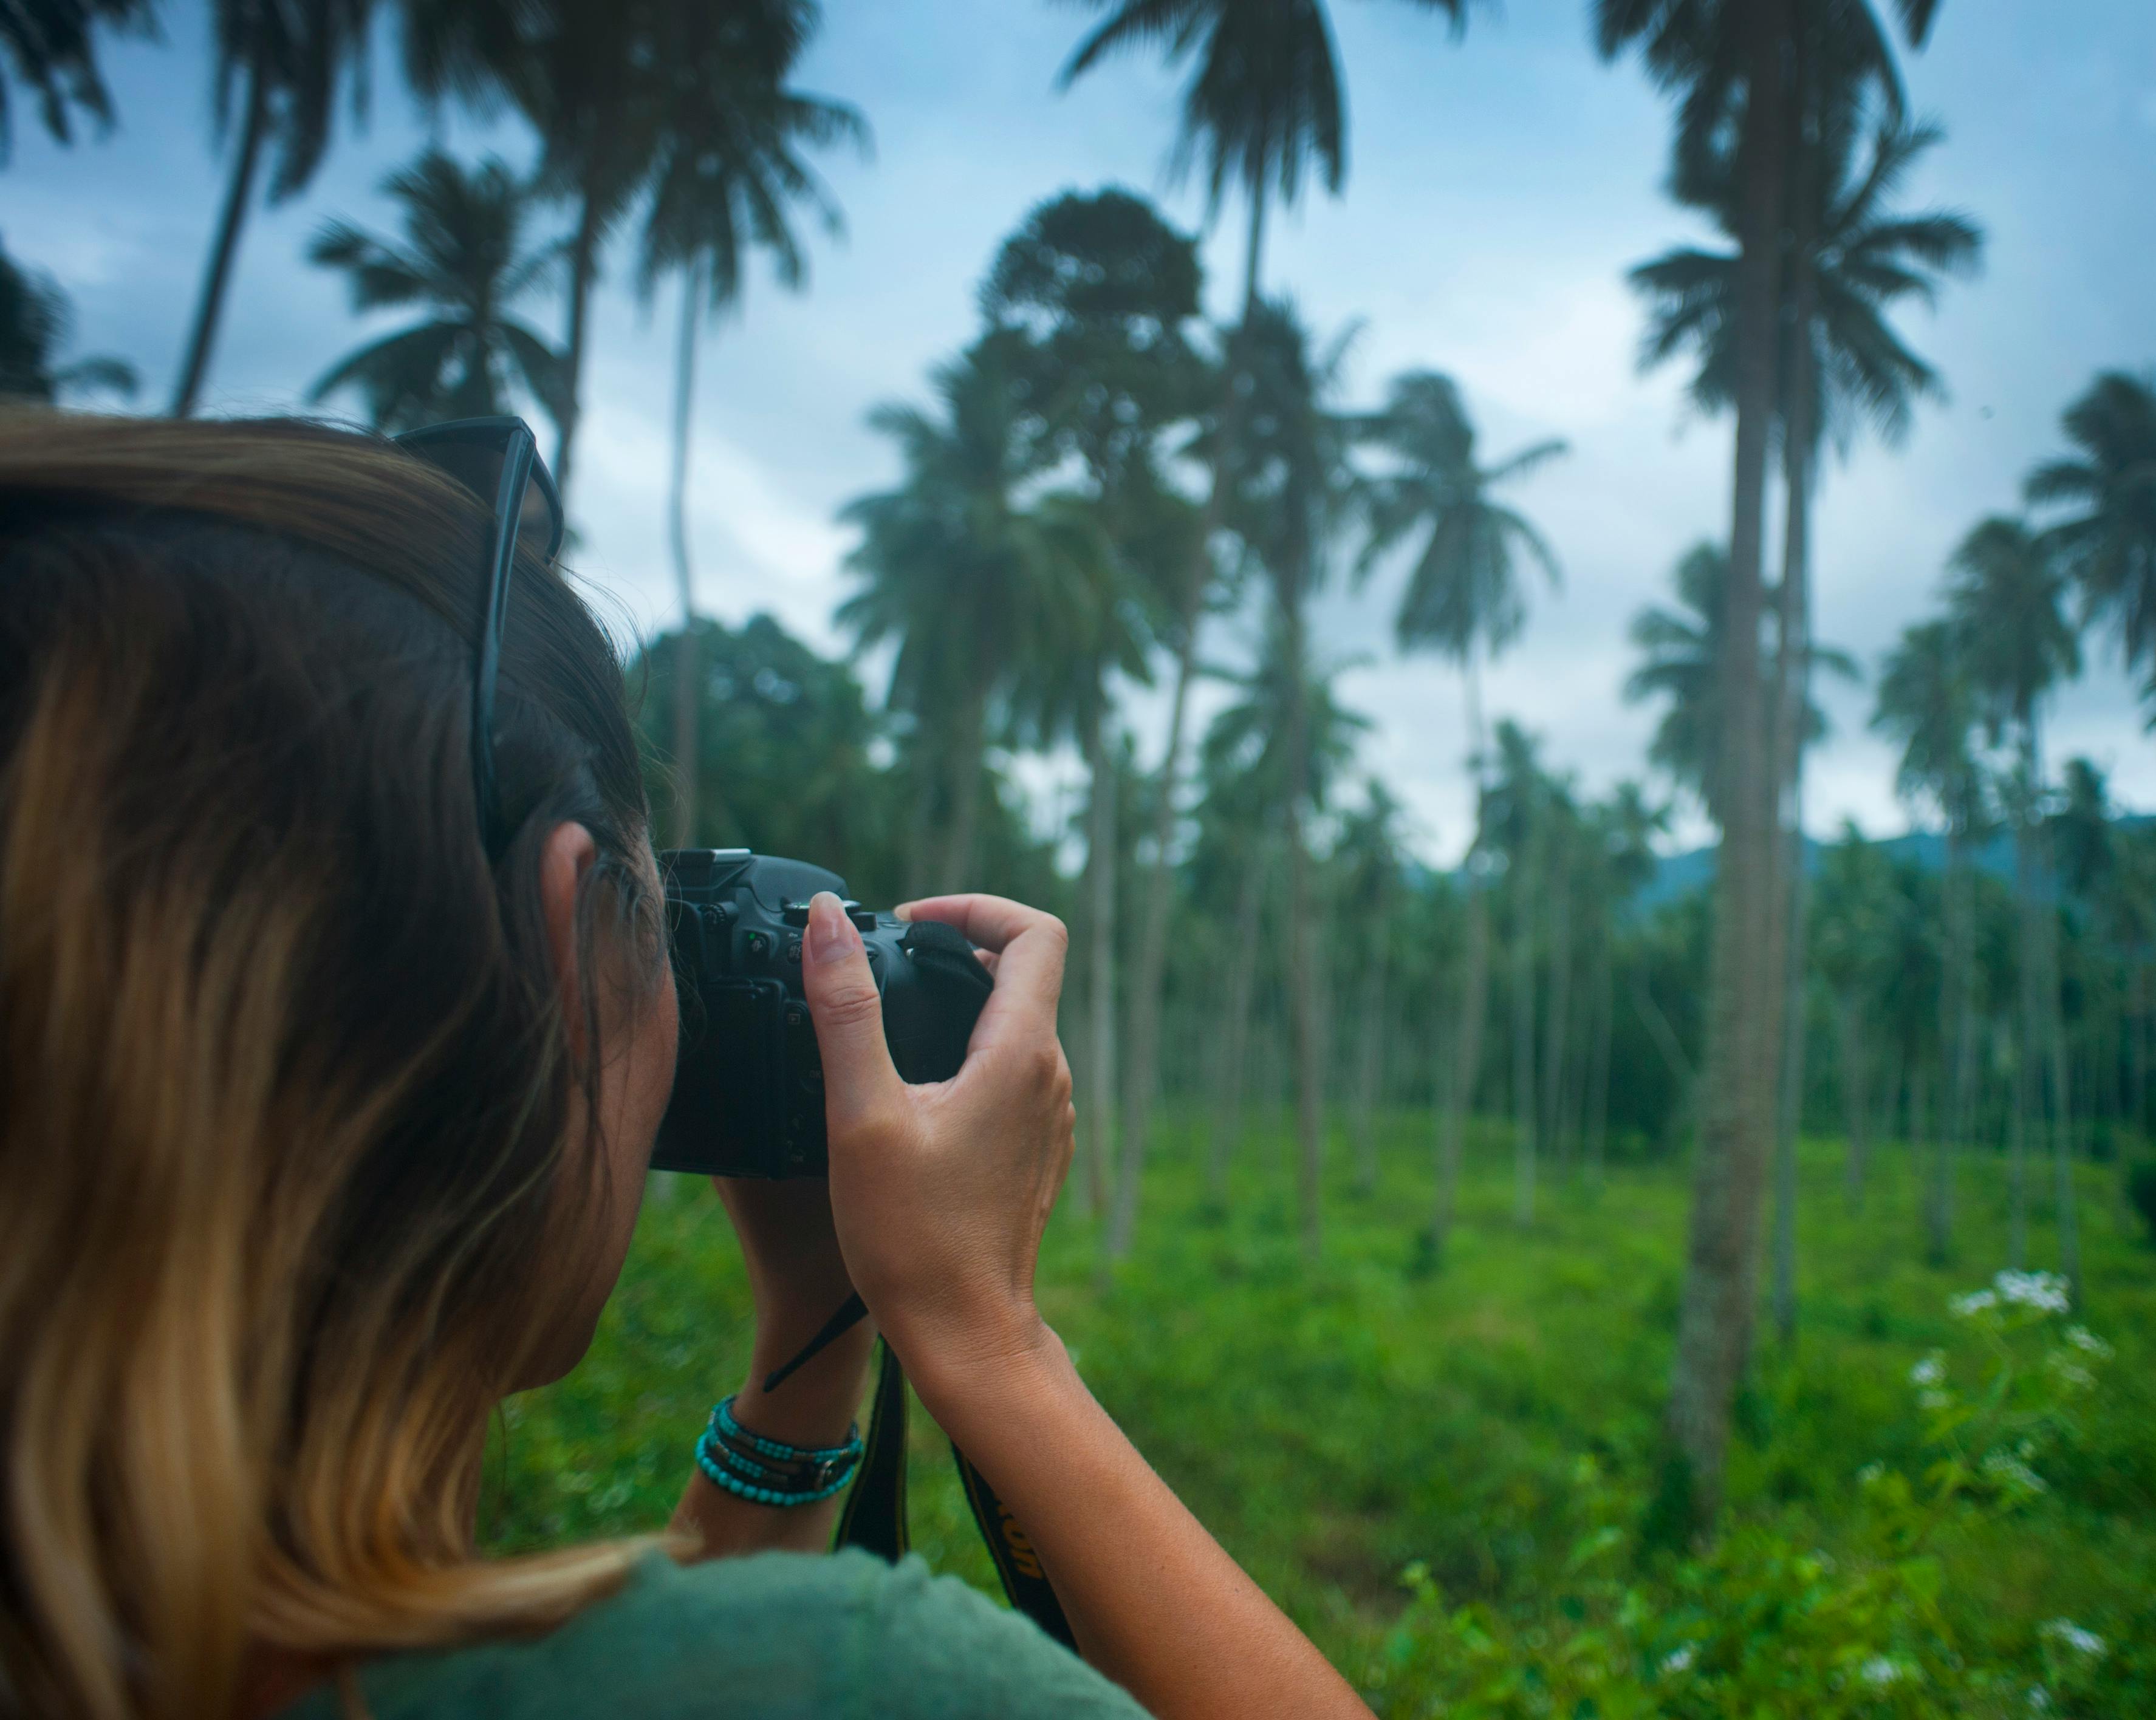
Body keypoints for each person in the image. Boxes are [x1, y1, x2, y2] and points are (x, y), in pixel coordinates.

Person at [0, 412, 1373, 1720]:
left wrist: (812, 1334)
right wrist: (987, 1338)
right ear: (562, 934)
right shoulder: (858, 1678)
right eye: (652, 925)